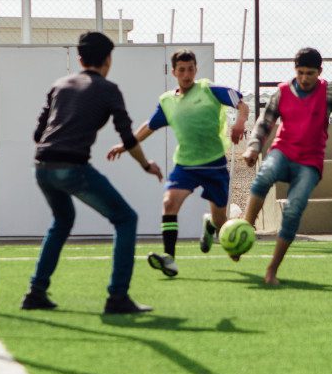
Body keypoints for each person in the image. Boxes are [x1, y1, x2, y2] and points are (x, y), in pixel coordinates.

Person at [23, 31, 163, 315]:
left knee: (63, 220)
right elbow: (127, 137)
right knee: (126, 218)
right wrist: (146, 165)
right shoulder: (109, 90)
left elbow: (39, 134)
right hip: (71, 167)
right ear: (108, 59)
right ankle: (117, 297)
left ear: (80, 58)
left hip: (42, 167)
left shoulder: (59, 85)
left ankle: (36, 292)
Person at [107, 49, 249, 277]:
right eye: (181, 70)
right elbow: (148, 127)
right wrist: (125, 144)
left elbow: (242, 104)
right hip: (185, 166)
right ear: (173, 72)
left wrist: (240, 122)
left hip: (214, 166)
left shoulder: (209, 90)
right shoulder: (167, 102)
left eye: (191, 69)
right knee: (169, 203)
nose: (186, 74)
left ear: (195, 70)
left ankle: (210, 225)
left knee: (221, 221)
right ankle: (170, 259)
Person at [241, 47, 332, 285]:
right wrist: (254, 146)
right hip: (282, 152)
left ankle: (272, 270)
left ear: (319, 71)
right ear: (294, 70)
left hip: (309, 162)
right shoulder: (282, 92)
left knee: (293, 210)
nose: (305, 78)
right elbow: (264, 122)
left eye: (310, 73)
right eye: (300, 72)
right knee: (264, 176)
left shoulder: (330, 93)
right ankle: (245, 230)